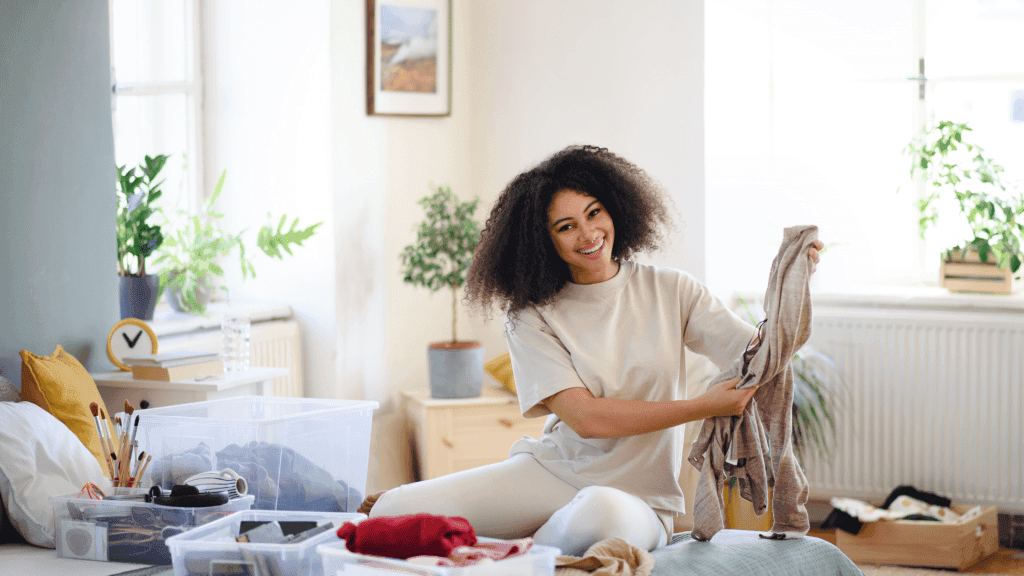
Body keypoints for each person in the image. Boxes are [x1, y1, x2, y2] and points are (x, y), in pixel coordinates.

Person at [366, 145, 823, 555]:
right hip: (554, 472)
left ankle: (515, 553)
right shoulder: (530, 315)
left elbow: (761, 357)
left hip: (639, 500)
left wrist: (796, 282)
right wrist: (703, 406)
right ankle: (520, 539)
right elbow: (588, 419)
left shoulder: (671, 290)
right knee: (394, 508)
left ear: (616, 209)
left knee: (598, 515)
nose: (588, 234)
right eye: (566, 227)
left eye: (594, 213)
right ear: (543, 242)